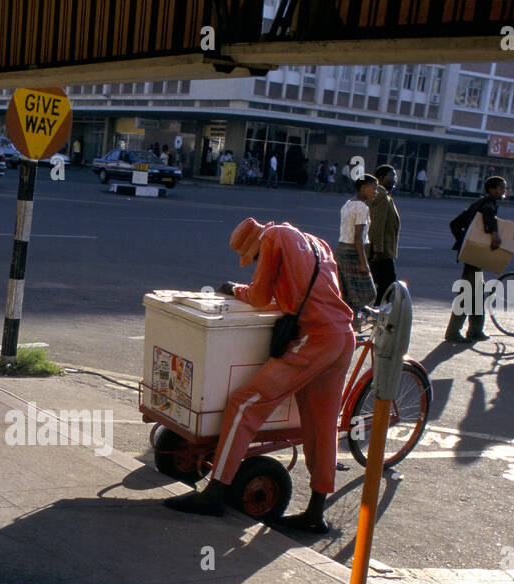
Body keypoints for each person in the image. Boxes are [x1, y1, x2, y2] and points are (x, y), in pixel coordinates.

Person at [164, 219, 356, 534]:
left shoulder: (271, 238)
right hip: (342, 336)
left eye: (252, 258)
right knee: (322, 425)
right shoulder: (316, 241)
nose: (254, 261)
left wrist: (233, 288)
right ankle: (314, 512)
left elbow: (259, 294)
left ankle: (215, 492)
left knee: (243, 404)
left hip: (316, 338)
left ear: (254, 245)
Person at [445, 175, 506, 344]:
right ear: (492, 189)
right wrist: (493, 234)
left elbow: (454, 224)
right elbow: (488, 215)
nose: (503, 192)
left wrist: (464, 242)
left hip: (473, 256)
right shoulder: (488, 204)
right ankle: (452, 333)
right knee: (466, 294)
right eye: (501, 188)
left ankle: (476, 330)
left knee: (478, 293)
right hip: (473, 258)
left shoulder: (478, 203)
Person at [334, 173, 378, 319]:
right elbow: (358, 237)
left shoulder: (347, 204)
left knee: (346, 290)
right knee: (368, 291)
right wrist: (363, 263)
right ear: (364, 187)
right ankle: (356, 318)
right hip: (352, 251)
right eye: (374, 188)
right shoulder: (361, 208)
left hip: (340, 250)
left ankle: (347, 320)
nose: (375, 192)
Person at [368, 165, 401, 306]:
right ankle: (379, 314)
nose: (394, 180)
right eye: (391, 176)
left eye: (395, 176)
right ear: (380, 178)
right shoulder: (381, 194)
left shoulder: (384, 194)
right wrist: (378, 249)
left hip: (382, 250)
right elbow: (377, 224)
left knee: (382, 284)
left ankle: (377, 312)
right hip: (382, 252)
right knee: (388, 285)